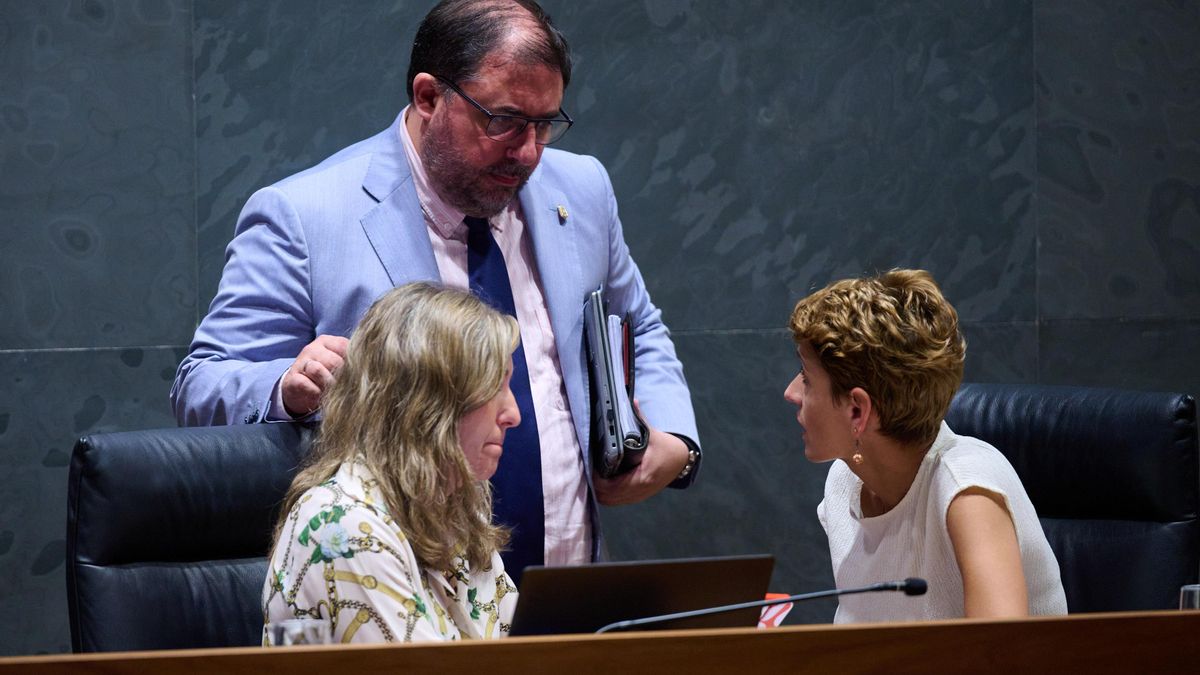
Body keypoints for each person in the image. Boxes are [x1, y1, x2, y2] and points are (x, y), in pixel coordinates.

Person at [171, 0, 701, 582]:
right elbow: (203, 383)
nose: (527, 152)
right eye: (503, 120)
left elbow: (638, 325)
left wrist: (674, 439)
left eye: (545, 123)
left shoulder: (581, 189)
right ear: (429, 97)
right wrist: (285, 389)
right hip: (406, 600)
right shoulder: (304, 215)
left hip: (571, 589)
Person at [784, 269, 1067, 621]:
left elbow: (1000, 659)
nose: (791, 393)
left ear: (857, 410)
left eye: (807, 379)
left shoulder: (967, 489)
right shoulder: (844, 482)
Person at [263, 282, 520, 643]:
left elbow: (519, 649)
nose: (513, 415)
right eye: (495, 387)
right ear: (429, 403)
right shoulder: (341, 525)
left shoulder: (454, 502)